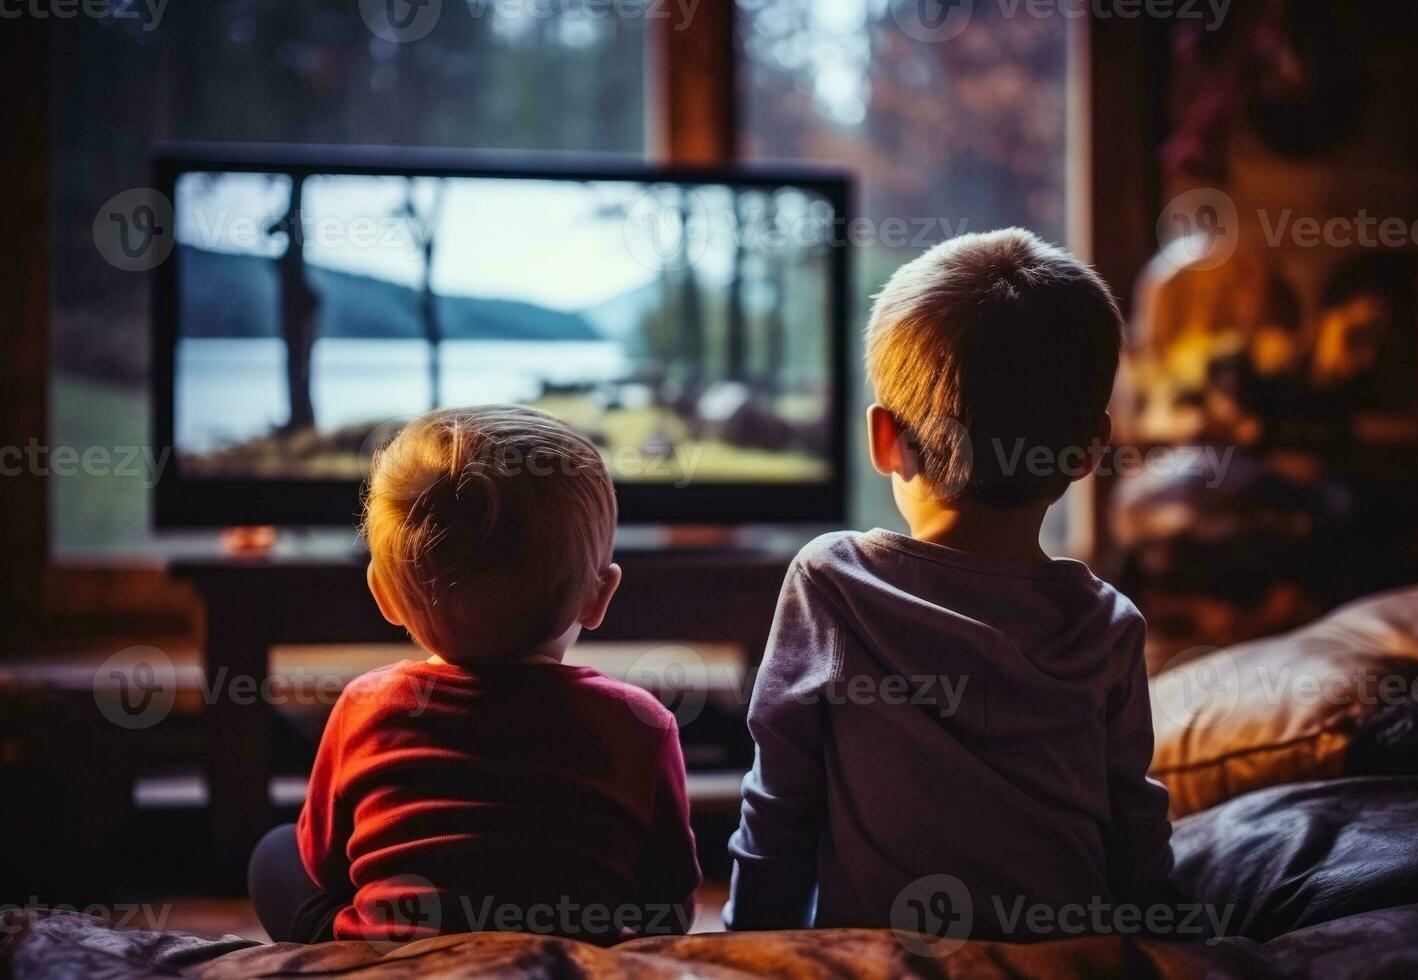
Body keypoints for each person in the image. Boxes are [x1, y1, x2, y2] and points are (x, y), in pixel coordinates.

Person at [725, 229, 1174, 941]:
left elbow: (779, 808)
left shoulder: (833, 583)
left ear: (883, 438)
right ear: (1091, 450)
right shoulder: (1109, 624)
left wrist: (748, 953)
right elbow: (1135, 834)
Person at [249, 406, 700, 945]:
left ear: (383, 594)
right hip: (577, 952)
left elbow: (324, 865)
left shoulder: (365, 706)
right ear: (600, 595)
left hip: (389, 960)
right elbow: (670, 905)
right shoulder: (640, 722)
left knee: (275, 853)